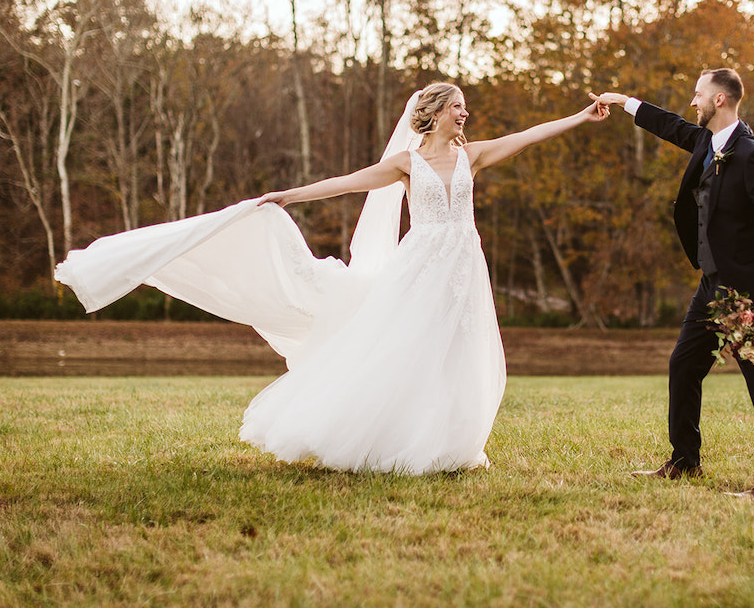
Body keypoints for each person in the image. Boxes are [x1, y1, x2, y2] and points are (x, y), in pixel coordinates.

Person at [56, 83, 608, 474]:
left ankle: (451, 445)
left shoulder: (474, 156)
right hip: (421, 266)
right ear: (434, 113)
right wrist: (289, 195)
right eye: (457, 107)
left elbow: (534, 135)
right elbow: (346, 182)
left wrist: (581, 119)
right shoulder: (406, 165)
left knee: (459, 351)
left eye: (466, 107)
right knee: (407, 350)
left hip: (465, 266)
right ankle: (390, 440)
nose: (466, 114)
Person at [594, 68, 754, 496]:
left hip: (744, 290)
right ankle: (685, 461)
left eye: (698, 95)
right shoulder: (708, 141)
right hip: (711, 284)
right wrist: (622, 100)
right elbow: (672, 126)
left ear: (719, 100)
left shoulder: (749, 153)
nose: (693, 102)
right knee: (683, 366)